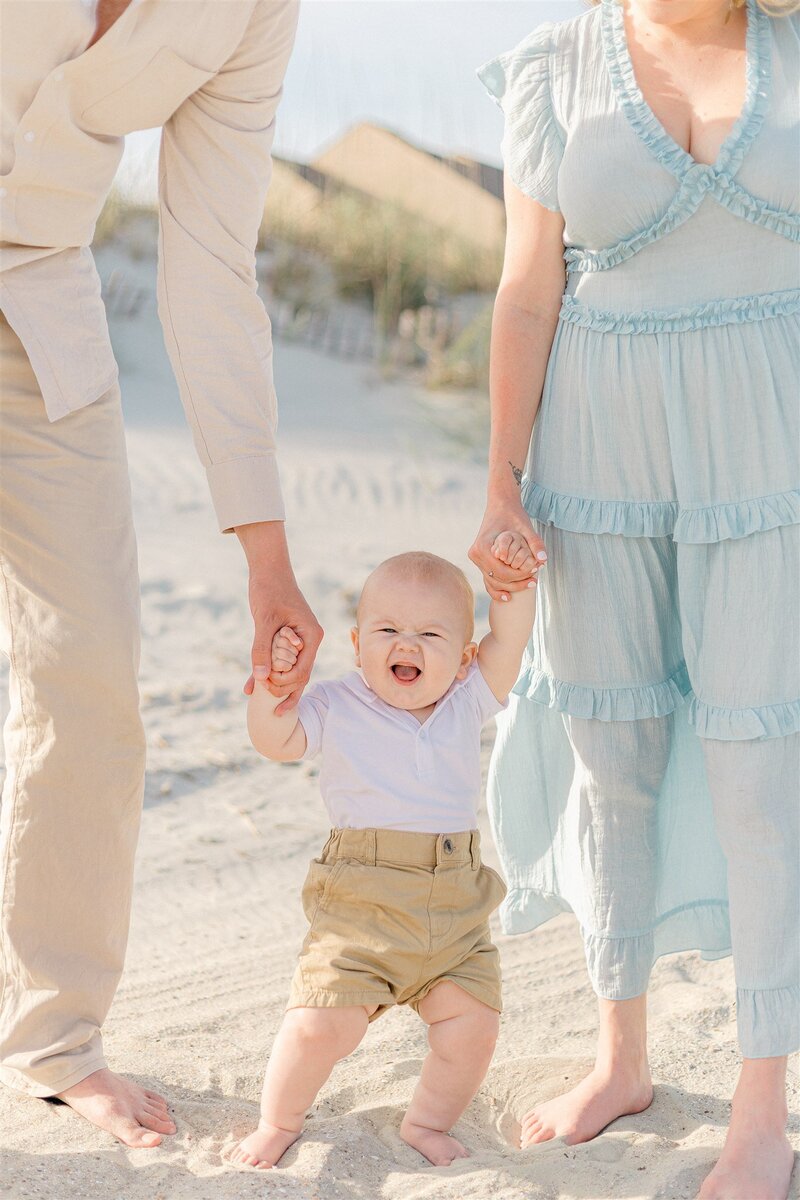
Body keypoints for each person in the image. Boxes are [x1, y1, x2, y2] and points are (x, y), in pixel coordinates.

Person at [470, 0, 799, 1196]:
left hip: (771, 454)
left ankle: (762, 1107)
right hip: (594, 453)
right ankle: (621, 1057)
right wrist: (501, 481)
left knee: (756, 759)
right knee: (613, 752)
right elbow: (522, 290)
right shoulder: (551, 64)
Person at [0, 0, 321, 1149]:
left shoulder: (253, 14)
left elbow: (209, 264)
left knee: (88, 674)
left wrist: (266, 556)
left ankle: (52, 1044)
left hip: (41, 303)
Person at [224, 545, 539, 1170]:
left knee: (473, 1027)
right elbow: (276, 741)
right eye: (388, 630)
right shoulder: (338, 703)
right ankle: (276, 1122)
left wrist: (515, 582)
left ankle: (426, 1122)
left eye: (430, 633)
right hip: (360, 909)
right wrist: (272, 688)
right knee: (320, 1027)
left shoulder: (466, 699)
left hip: (453, 913)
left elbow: (513, 638)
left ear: (464, 656)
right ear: (357, 642)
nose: (408, 644)